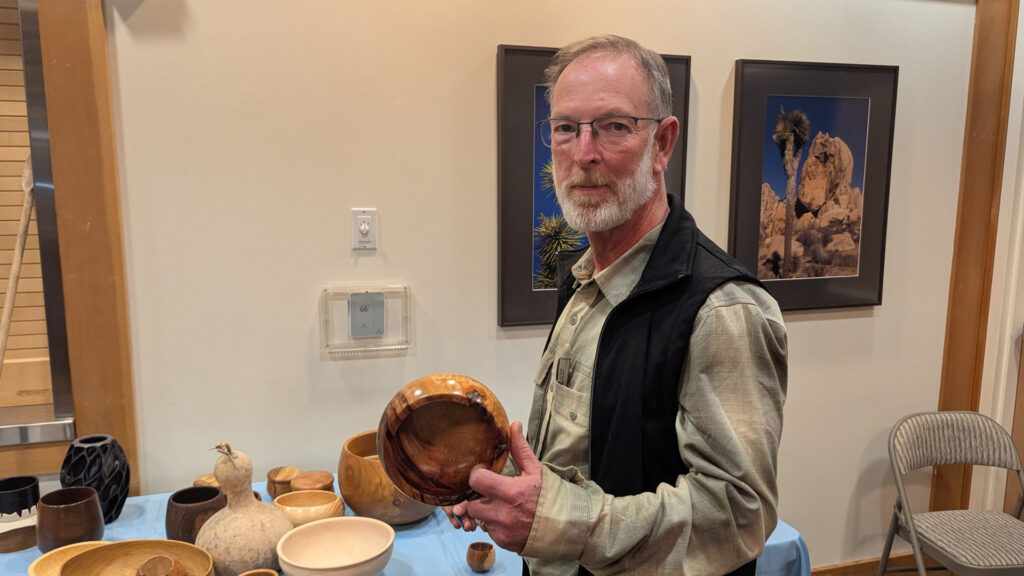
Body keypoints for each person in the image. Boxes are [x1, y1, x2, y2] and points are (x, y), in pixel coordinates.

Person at [447, 34, 787, 576]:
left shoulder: (722, 308)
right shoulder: (583, 281)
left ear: (664, 143)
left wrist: (563, 523)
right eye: (565, 128)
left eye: (614, 126)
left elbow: (738, 514)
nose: (584, 153)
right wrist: (493, 479)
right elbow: (578, 452)